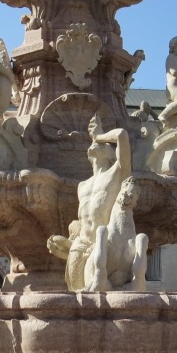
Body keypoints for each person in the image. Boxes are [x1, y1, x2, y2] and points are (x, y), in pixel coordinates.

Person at [47, 114, 131, 291]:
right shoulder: (82, 186)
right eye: (95, 143)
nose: (95, 144)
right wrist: (66, 245)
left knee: (92, 294)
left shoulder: (117, 173)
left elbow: (122, 135)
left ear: (110, 154)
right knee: (75, 291)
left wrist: (99, 136)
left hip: (104, 243)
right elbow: (84, 220)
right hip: (81, 243)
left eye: (102, 145)